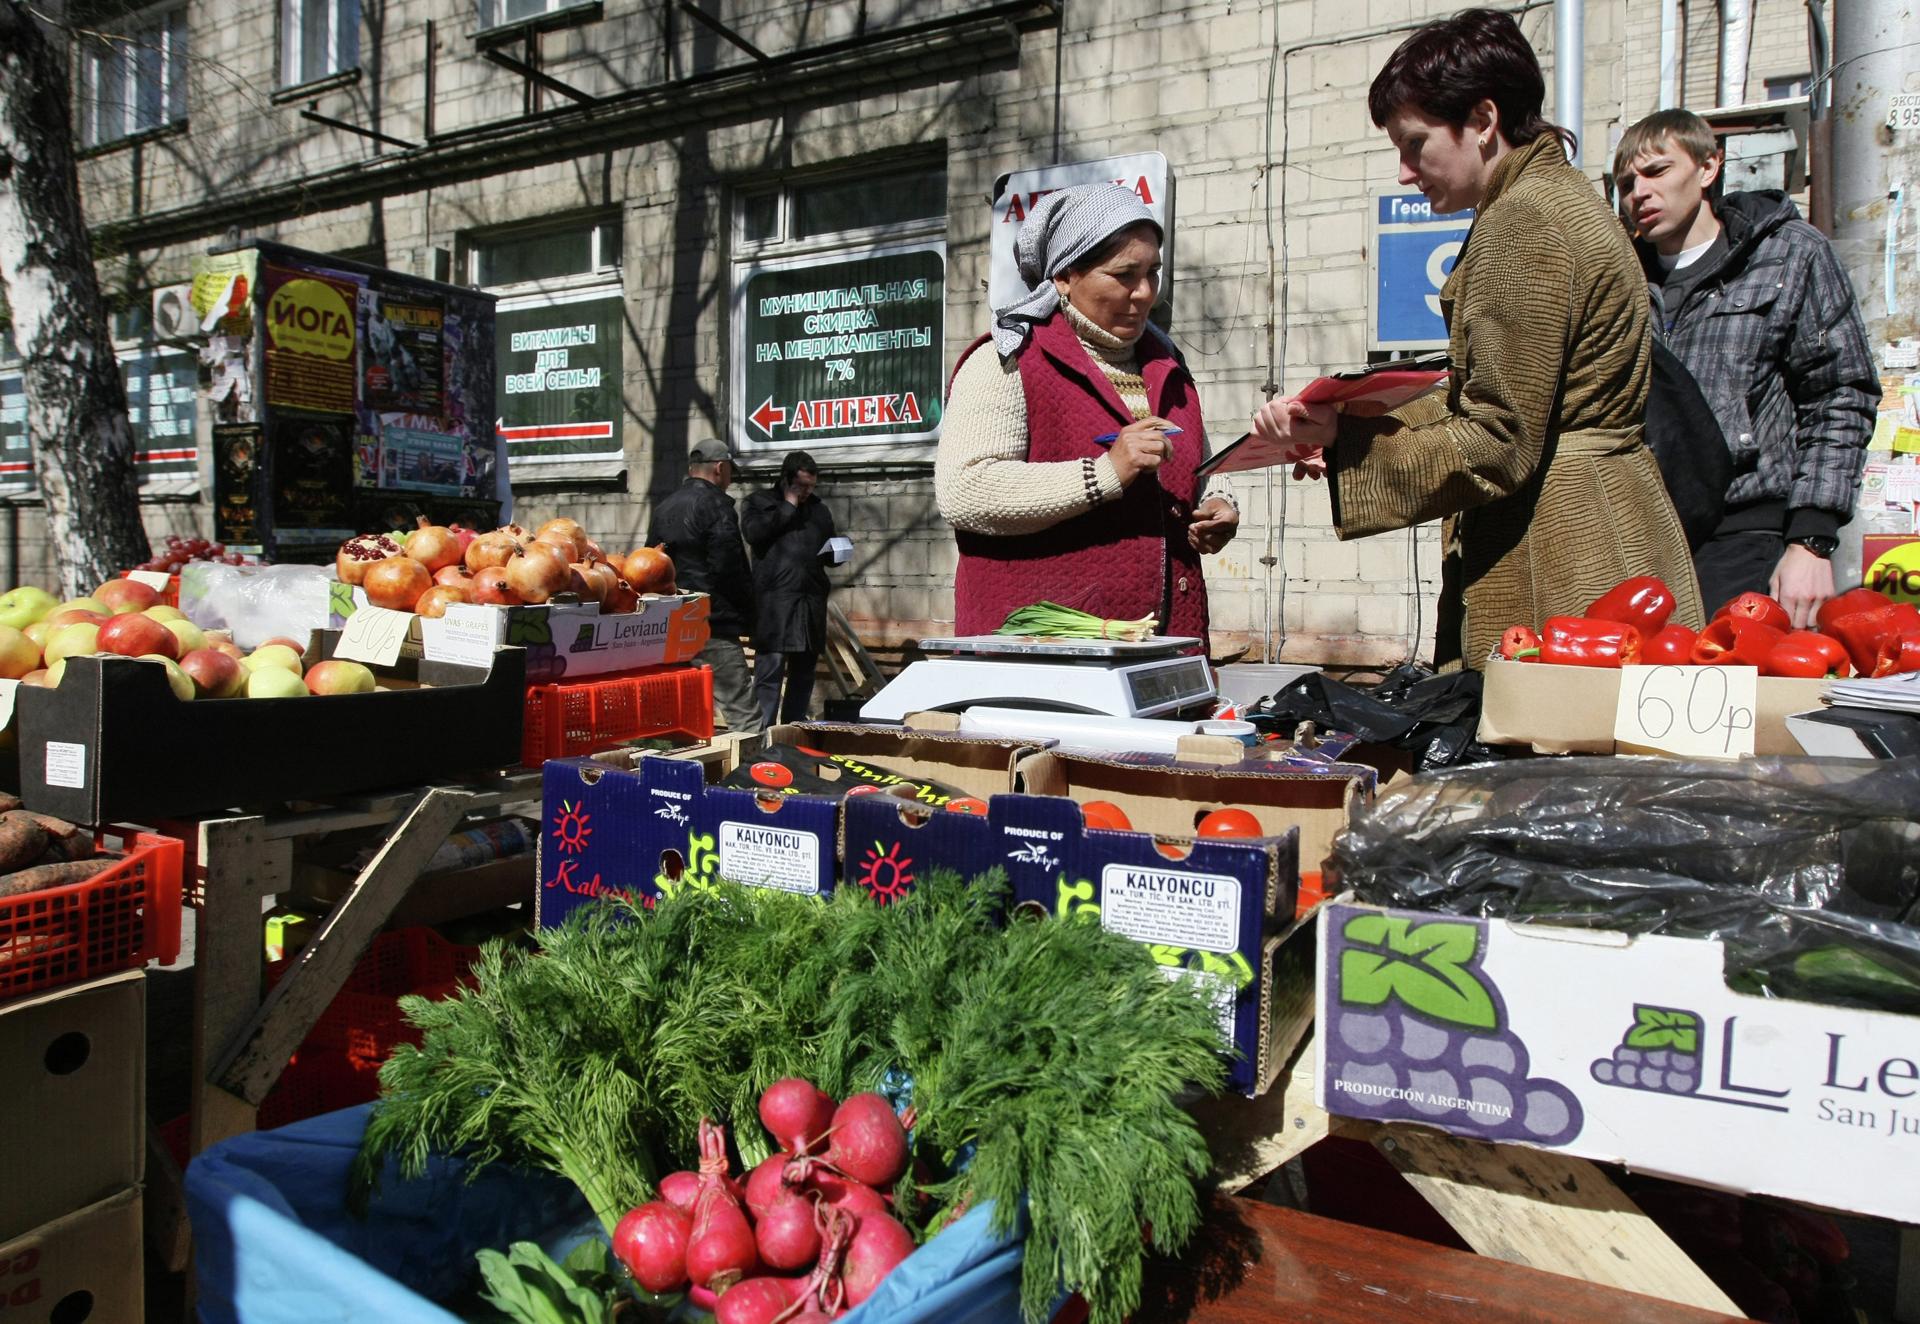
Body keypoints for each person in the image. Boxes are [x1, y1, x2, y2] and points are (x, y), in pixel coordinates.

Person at [1252, 8, 1702, 670]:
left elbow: (1499, 441)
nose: (1407, 171)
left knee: (1546, 767)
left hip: (1564, 556)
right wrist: (1358, 421)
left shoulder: (1522, 223)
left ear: (1484, 121)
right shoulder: (1561, 198)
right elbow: (1515, 394)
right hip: (1608, 532)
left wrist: (1347, 444)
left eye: (1414, 143)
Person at [936, 182, 1239, 644]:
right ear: (1064, 277)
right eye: (1124, 275)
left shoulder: (1166, 362)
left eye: (1153, 272)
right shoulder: (1009, 359)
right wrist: (1104, 473)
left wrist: (1218, 504)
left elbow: (1196, 464)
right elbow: (965, 490)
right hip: (1047, 655)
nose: (1145, 294)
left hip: (1167, 645)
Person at [1613, 109, 1880, 626]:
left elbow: (1840, 394)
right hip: (1637, 539)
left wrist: (1811, 540)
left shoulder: (1786, 255)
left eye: (1657, 171)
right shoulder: (1619, 276)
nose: (1638, 193)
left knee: (1718, 695)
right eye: (1626, 182)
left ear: (1709, 167)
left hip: (1746, 532)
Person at [647, 438, 761, 734]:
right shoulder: (717, 507)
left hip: (673, 626)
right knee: (742, 713)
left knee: (684, 714)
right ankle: (756, 777)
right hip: (713, 624)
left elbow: (649, 565)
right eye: (729, 471)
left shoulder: (663, 508)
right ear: (720, 469)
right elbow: (729, 568)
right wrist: (752, 618)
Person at [742, 450, 837, 727]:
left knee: (804, 676)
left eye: (811, 486)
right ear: (786, 480)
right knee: (769, 677)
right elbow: (754, 534)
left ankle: (793, 734)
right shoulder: (759, 503)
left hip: (809, 604)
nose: (807, 492)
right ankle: (763, 738)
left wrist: (837, 552)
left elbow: (827, 545)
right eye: (802, 486)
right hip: (775, 607)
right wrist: (788, 506)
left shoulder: (818, 509)